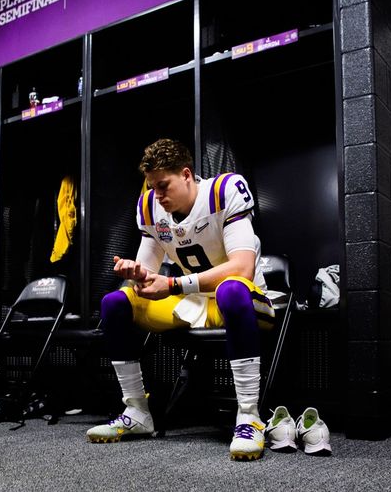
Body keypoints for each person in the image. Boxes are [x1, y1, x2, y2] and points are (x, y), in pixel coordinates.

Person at [86, 138, 274, 460]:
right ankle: (137, 412)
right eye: (152, 187)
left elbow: (242, 268)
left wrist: (172, 284)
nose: (157, 196)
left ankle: (249, 416)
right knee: (116, 302)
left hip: (241, 302)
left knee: (230, 289)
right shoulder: (150, 206)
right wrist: (136, 273)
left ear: (186, 175)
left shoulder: (223, 190)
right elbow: (148, 272)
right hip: (192, 302)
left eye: (163, 186)